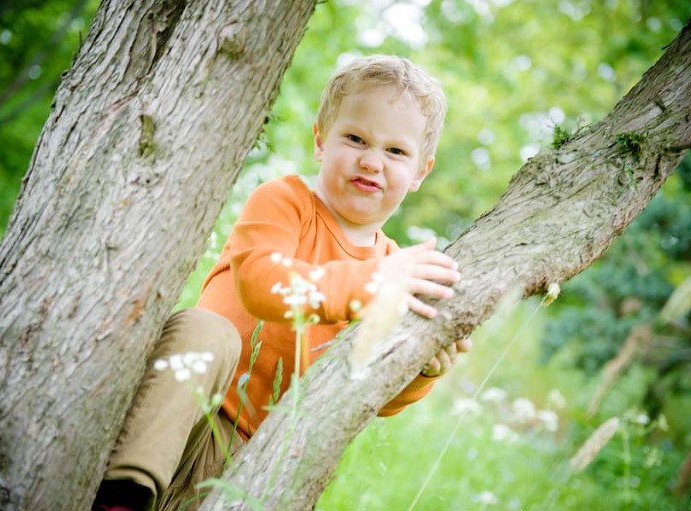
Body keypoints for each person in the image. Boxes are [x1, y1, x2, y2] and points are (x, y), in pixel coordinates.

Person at [92, 54, 472, 511]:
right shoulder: (285, 201)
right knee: (204, 329)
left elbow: (370, 385)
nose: (372, 161)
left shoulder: (395, 266)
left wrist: (422, 370)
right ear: (320, 141)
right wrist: (374, 283)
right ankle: (120, 496)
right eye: (355, 138)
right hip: (187, 418)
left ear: (420, 172)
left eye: (395, 151)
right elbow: (261, 284)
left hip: (262, 463)